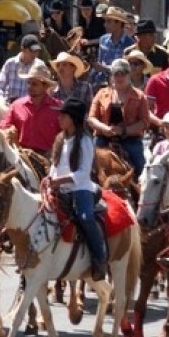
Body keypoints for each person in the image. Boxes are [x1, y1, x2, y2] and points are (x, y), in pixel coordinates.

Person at [46, 98, 106, 281]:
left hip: (81, 189)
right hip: (59, 188)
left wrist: (59, 180)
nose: (59, 118)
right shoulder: (60, 139)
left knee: (85, 217)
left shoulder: (86, 141)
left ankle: (99, 257)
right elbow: (55, 164)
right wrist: (50, 177)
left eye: (63, 115)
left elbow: (83, 173)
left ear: (73, 118)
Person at [89, 59, 150, 178]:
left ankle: (140, 192)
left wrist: (124, 130)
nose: (120, 77)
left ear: (129, 75)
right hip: (103, 138)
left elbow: (144, 122)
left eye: (123, 73)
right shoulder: (101, 93)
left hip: (130, 139)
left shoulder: (140, 96)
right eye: (116, 74)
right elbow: (91, 118)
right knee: (88, 166)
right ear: (112, 76)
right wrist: (104, 128)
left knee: (140, 168)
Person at [0, 63, 63, 156]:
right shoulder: (17, 105)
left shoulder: (58, 108)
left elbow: (66, 134)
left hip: (48, 156)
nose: (30, 87)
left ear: (45, 87)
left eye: (34, 84)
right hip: (21, 154)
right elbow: (3, 126)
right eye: (28, 82)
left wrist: (55, 151)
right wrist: (9, 131)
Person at [0, 34, 47, 103]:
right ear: (23, 49)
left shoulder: (40, 65)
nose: (35, 54)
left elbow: (45, 91)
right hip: (9, 105)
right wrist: (2, 101)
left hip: (30, 107)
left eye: (36, 51)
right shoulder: (10, 63)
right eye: (32, 51)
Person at [94, 6, 135, 86]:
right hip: (101, 83)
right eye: (105, 21)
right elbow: (100, 61)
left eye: (109, 21)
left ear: (119, 23)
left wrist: (104, 68)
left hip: (120, 85)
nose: (105, 25)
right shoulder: (103, 39)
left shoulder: (130, 44)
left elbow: (127, 69)